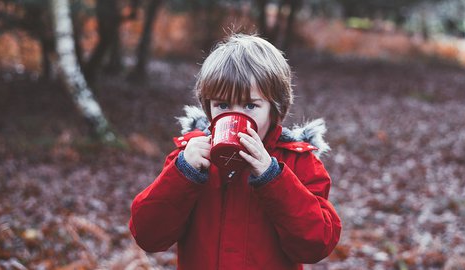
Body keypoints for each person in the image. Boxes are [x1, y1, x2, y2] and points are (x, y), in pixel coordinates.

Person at [129, 34, 341, 270]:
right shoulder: (189, 158)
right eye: (222, 105)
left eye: (250, 105)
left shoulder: (298, 162)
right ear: (208, 107)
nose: (235, 115)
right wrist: (183, 173)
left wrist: (273, 177)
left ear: (275, 109)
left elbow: (316, 245)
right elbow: (148, 236)